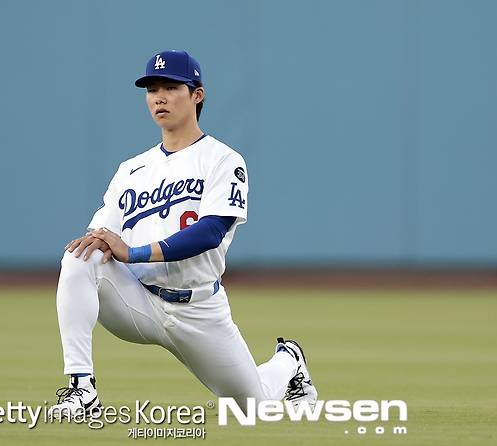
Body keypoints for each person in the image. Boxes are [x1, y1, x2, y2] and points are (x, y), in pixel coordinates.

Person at [48, 50, 317, 418]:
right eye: (152, 89)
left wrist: (135, 252)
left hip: (199, 309)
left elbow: (210, 232)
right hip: (139, 300)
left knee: (255, 408)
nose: (159, 97)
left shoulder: (222, 159)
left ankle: (289, 360)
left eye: (171, 87)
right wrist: (104, 241)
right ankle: (83, 389)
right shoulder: (131, 170)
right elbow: (101, 235)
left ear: (197, 95)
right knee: (81, 256)